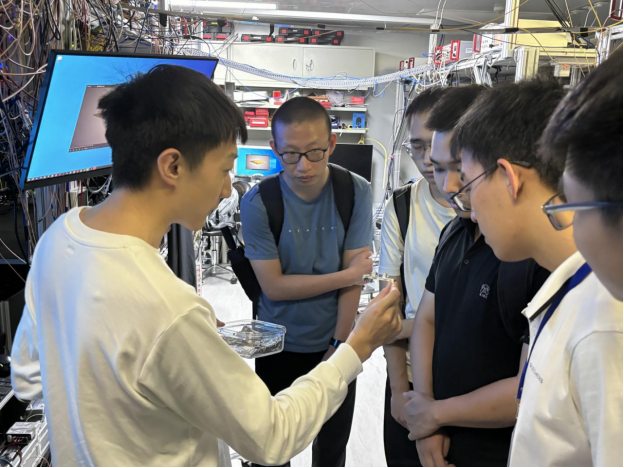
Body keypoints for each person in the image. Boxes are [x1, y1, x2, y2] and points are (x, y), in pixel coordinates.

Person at [10, 66, 403, 467]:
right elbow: (273, 436)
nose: (226, 189)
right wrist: (357, 346)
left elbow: (27, 378)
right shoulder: (170, 311)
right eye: (224, 168)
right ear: (173, 166)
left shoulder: (59, 238)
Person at [452, 57, 623, 466]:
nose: (468, 208)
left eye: (468, 183)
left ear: (508, 177)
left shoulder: (605, 320)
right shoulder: (571, 286)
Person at [403, 85, 551, 467]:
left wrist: (436, 414)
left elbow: (529, 386)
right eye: (438, 168)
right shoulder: (454, 232)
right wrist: (427, 413)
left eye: (461, 170)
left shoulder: (529, 255)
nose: (450, 187)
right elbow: (427, 319)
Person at [240, 97, 374, 467]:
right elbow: (274, 287)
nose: (303, 166)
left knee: (331, 450)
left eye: (315, 152)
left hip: (334, 339)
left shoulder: (355, 191)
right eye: (290, 154)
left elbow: (353, 286)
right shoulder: (258, 202)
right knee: (271, 451)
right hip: (276, 344)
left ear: (332, 143)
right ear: (274, 149)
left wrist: (339, 345)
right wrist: (348, 274)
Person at [379, 87, 480, 468]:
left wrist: (398, 327)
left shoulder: (485, 222)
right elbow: (395, 307)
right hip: (413, 379)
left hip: (471, 388)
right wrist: (400, 391)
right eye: (417, 147)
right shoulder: (407, 207)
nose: (426, 160)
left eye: (437, 148)